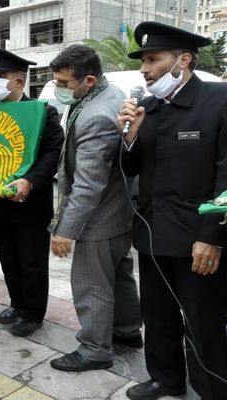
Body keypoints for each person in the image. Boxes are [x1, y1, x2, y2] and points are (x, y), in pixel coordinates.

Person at [119, 21, 227, 400]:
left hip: (198, 240)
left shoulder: (219, 100)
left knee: (203, 322)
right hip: (152, 235)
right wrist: (130, 137)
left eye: (153, 59)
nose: (144, 69)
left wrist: (212, 238)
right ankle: (166, 378)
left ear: (182, 60)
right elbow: (130, 169)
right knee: (158, 315)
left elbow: (226, 177)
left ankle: (213, 388)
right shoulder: (147, 108)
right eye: (143, 61)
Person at [46, 45, 142, 372]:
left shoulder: (95, 115)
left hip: (99, 220)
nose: (59, 89)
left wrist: (65, 231)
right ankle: (127, 331)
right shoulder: (110, 93)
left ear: (88, 79)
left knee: (91, 285)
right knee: (120, 275)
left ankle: (94, 349)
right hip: (120, 212)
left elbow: (88, 183)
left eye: (64, 83)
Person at [0, 48, 64, 337]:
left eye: (1, 76)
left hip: (30, 203)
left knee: (32, 261)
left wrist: (31, 180)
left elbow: (54, 151)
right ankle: (17, 303)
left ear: (19, 82)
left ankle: (33, 312)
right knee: (8, 257)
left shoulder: (42, 112)